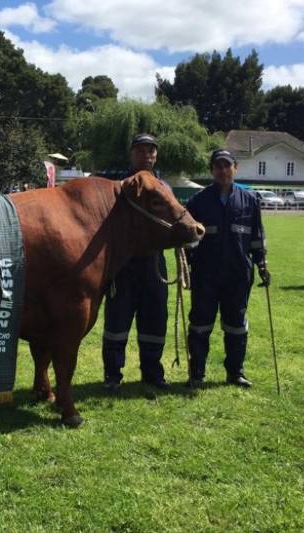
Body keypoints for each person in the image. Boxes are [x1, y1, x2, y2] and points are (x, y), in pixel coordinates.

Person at [185, 149, 269, 388]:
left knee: (236, 325)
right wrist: (189, 262)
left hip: (238, 275)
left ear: (235, 168)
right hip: (206, 275)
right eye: (218, 166)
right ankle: (197, 374)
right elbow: (188, 238)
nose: (222, 170)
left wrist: (262, 263)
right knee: (200, 325)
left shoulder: (250, 201)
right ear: (212, 170)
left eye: (227, 165)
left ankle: (235, 373)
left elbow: (257, 237)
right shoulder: (198, 201)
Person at [101, 133, 170, 391]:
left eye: (151, 150)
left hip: (153, 263)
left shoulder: (164, 188)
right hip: (124, 265)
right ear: (132, 153)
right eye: (141, 150)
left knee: (155, 319)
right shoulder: (118, 188)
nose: (147, 155)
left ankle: (152, 373)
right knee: (117, 322)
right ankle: (112, 375)